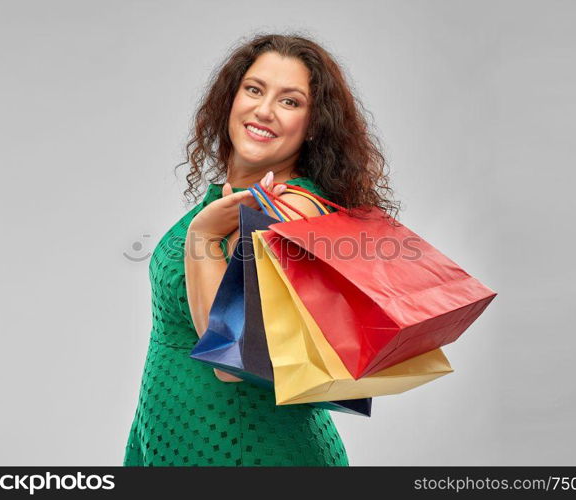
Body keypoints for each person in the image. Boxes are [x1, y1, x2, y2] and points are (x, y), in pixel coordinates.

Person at [123, 33, 399, 466]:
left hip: (245, 448)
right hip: (174, 442)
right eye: (254, 89)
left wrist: (202, 239)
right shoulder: (224, 202)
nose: (265, 110)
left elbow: (229, 359)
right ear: (230, 99)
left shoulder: (293, 208)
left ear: (313, 126)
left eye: (290, 102)